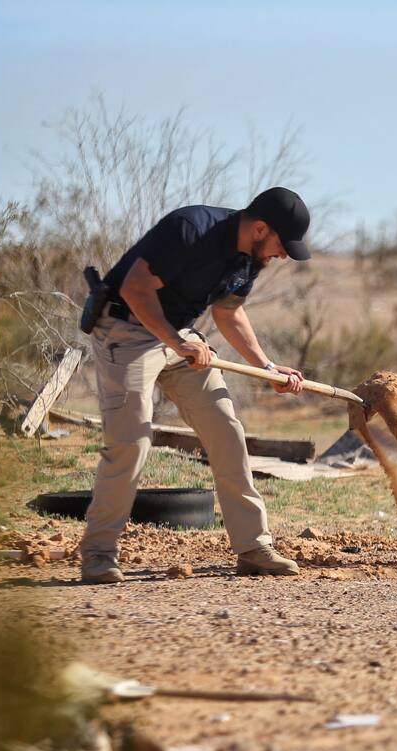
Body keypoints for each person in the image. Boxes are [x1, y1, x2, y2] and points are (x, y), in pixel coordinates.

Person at [80, 187, 312, 583]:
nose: (282, 255)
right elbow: (136, 289)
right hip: (126, 329)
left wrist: (268, 367)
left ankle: (254, 547)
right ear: (260, 228)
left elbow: (229, 311)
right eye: (281, 245)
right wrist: (176, 342)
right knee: (131, 442)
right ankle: (98, 555)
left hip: (179, 340)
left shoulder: (249, 258)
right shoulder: (190, 229)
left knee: (226, 432)